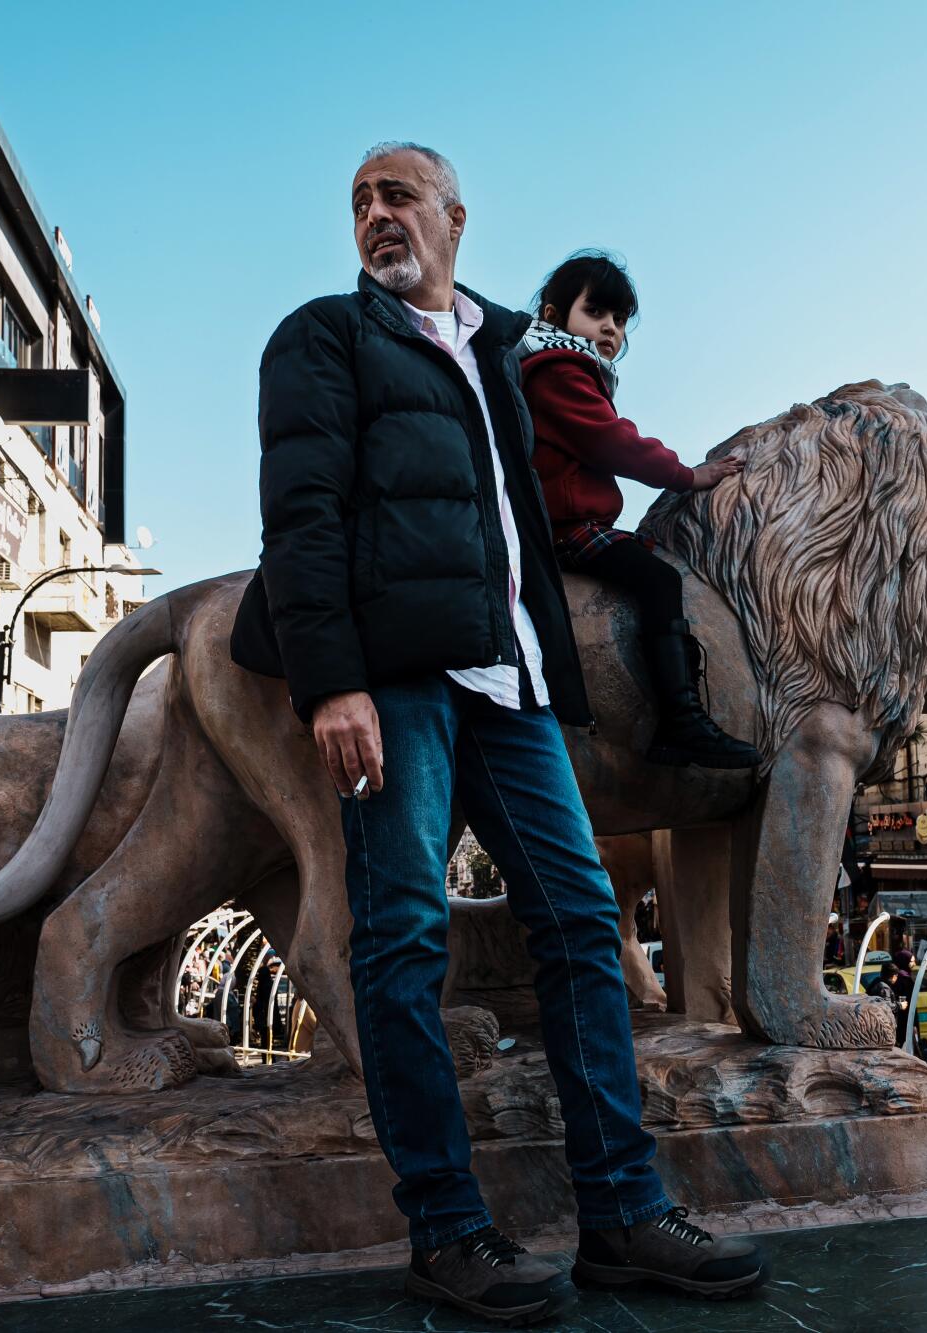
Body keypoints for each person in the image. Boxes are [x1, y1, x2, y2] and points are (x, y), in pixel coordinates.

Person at [228, 142, 763, 1322]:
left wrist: (546, 664)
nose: (377, 214)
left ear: (454, 219)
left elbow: (523, 522)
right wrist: (331, 683)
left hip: (508, 685)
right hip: (395, 683)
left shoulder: (499, 349)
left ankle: (621, 1214)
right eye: (360, 200)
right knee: (404, 941)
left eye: (399, 194)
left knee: (579, 924)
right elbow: (300, 513)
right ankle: (448, 1230)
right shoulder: (321, 338)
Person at [519, 251, 759, 769]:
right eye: (596, 313)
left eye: (620, 320)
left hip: (572, 521)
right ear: (555, 316)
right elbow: (613, 444)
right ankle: (680, 721)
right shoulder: (558, 369)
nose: (610, 329)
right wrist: (689, 476)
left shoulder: (560, 367)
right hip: (565, 527)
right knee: (659, 581)